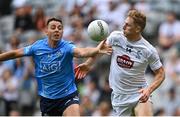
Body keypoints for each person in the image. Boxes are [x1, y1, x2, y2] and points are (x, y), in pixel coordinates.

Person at [0, 17, 112, 116]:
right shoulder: (37, 47)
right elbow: (15, 53)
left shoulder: (67, 47)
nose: (57, 30)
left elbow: (82, 52)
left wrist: (96, 50)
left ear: (62, 32)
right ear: (46, 31)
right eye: (53, 27)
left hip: (68, 95)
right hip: (47, 100)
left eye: (59, 28)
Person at [75, 10, 165, 116]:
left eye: (128, 25)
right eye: (124, 23)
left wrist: (148, 90)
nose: (123, 26)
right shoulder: (115, 37)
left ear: (137, 29)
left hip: (139, 93)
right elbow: (101, 51)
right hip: (119, 98)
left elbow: (161, 74)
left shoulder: (148, 50)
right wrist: (88, 64)